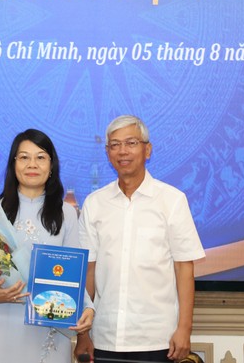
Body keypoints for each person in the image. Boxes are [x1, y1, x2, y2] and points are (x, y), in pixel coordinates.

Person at [76, 115, 205, 363]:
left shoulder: (172, 200)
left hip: (157, 338)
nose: (122, 151)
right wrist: (84, 334)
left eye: (131, 143)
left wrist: (184, 329)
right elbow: (89, 270)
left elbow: (184, 268)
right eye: (115, 145)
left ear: (147, 149)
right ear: (107, 152)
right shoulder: (95, 203)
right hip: (105, 336)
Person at [0, 128, 94, 363]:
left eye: (40, 157)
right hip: (3, 322)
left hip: (49, 326)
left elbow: (75, 274)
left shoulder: (66, 213)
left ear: (51, 166)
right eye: (24, 157)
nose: (32, 164)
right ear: (13, 165)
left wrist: (88, 308)